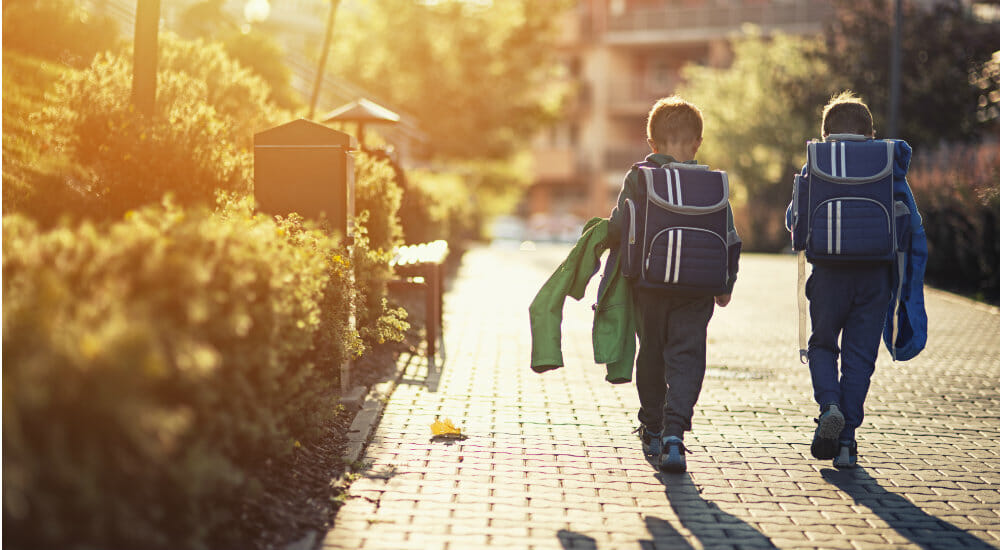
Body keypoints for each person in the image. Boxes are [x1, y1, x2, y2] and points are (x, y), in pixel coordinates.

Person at [787, 91, 927, 468]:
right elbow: (911, 225)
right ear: (871, 133)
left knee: (822, 345)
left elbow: (793, 219)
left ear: (825, 134)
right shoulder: (886, 166)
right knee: (859, 358)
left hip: (829, 275)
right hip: (874, 278)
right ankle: (847, 440)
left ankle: (828, 404)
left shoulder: (815, 164)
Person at [608, 96, 739, 473]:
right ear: (698, 143)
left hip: (649, 286)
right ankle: (674, 433)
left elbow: (620, 225)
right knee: (686, 357)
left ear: (652, 144)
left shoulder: (640, 177)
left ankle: (650, 426)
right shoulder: (713, 184)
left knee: (650, 354)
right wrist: (726, 282)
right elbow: (729, 236)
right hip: (697, 289)